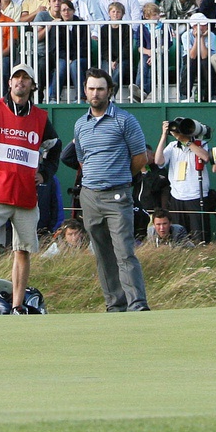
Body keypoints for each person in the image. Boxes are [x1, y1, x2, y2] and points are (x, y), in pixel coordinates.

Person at [0, 65, 58, 313]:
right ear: (9, 83)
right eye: (16, 77)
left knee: (23, 250)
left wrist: (44, 173)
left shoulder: (40, 117)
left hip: (26, 196)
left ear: (32, 85)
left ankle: (18, 305)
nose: (20, 82)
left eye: (25, 78)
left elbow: (55, 148)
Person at [65, 67, 150, 312]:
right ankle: (115, 304)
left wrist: (121, 177)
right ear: (85, 91)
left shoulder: (125, 120)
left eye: (100, 89)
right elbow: (83, 160)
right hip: (90, 196)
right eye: (91, 88)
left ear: (109, 91)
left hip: (117, 195)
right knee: (102, 254)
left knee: (124, 252)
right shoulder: (80, 124)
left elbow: (140, 157)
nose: (96, 93)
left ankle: (137, 303)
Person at [152, 115, 208, 242]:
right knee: (179, 236)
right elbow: (158, 161)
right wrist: (164, 136)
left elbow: (205, 157)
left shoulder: (200, 144)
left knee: (198, 237)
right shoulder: (172, 146)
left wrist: (185, 141)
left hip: (196, 196)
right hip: (177, 196)